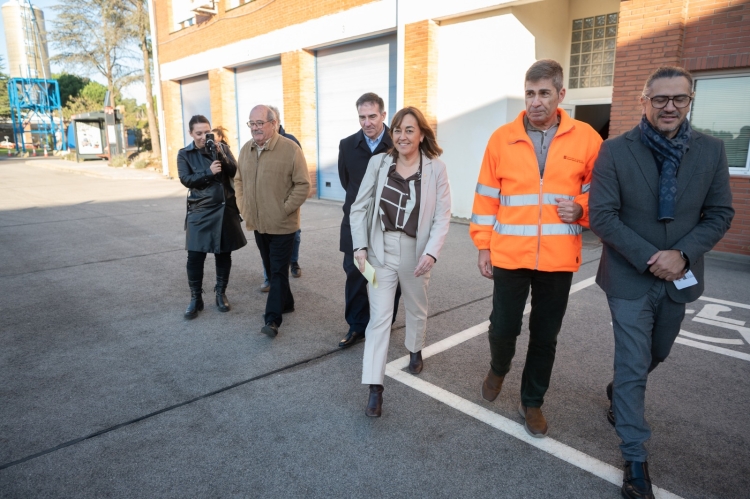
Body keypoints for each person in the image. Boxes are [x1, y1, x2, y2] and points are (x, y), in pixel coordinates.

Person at [589, 66, 734, 499]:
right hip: (629, 278)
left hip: (680, 276)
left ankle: (619, 389)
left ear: (690, 100)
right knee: (634, 363)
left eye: (680, 99)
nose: (670, 106)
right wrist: (652, 258)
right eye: (660, 99)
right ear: (645, 101)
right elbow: (602, 215)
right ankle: (635, 458)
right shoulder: (615, 151)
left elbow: (720, 214)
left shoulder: (711, 150)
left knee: (658, 353)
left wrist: (683, 254)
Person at [470, 59, 602, 437]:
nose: (536, 101)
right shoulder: (502, 138)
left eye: (544, 93)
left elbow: (600, 193)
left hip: (559, 259)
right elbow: (485, 198)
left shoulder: (587, 139)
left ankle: (532, 402)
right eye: (530, 93)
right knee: (503, 327)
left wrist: (582, 210)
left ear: (561, 94)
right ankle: (499, 367)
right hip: (510, 253)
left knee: (545, 335)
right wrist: (483, 246)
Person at [350, 106, 451, 417]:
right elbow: (359, 207)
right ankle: (374, 388)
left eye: (409, 129)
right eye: (397, 130)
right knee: (379, 320)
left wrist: (431, 253)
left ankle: (415, 347)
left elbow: (442, 216)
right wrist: (360, 245)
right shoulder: (378, 163)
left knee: (415, 306)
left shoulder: (435, 168)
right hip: (380, 252)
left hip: (415, 253)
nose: (402, 135)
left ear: (421, 134)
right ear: (391, 134)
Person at [235, 105, 311, 337]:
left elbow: (303, 185)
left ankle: (272, 320)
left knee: (277, 271)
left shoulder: (290, 149)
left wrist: (283, 210)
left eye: (260, 123)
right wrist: (244, 207)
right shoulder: (246, 149)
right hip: (258, 223)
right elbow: (238, 181)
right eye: (252, 123)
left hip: (283, 225)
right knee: (271, 268)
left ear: (274, 124)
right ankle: (286, 303)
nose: (255, 128)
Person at [338, 92, 401, 349]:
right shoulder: (347, 145)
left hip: (389, 225)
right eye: (362, 117)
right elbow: (346, 182)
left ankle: (383, 321)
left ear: (383, 116)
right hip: (356, 224)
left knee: (388, 276)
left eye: (372, 116)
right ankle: (356, 325)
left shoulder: (397, 144)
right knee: (356, 274)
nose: (367, 122)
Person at [177, 115, 247, 319]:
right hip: (200, 210)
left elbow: (235, 172)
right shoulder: (185, 154)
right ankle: (195, 298)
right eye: (198, 133)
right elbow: (186, 180)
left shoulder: (222, 148)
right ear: (191, 133)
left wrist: (220, 155)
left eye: (206, 132)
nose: (202, 137)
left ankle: (220, 293)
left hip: (225, 210)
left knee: (223, 254)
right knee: (195, 257)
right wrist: (208, 173)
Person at [258, 105, 303, 291]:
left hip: (287, 201)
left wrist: (288, 205)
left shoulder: (291, 142)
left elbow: (300, 176)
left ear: (276, 122)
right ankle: (269, 277)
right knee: (267, 241)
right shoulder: (258, 142)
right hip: (266, 202)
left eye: (265, 122)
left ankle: (294, 261)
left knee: (295, 235)